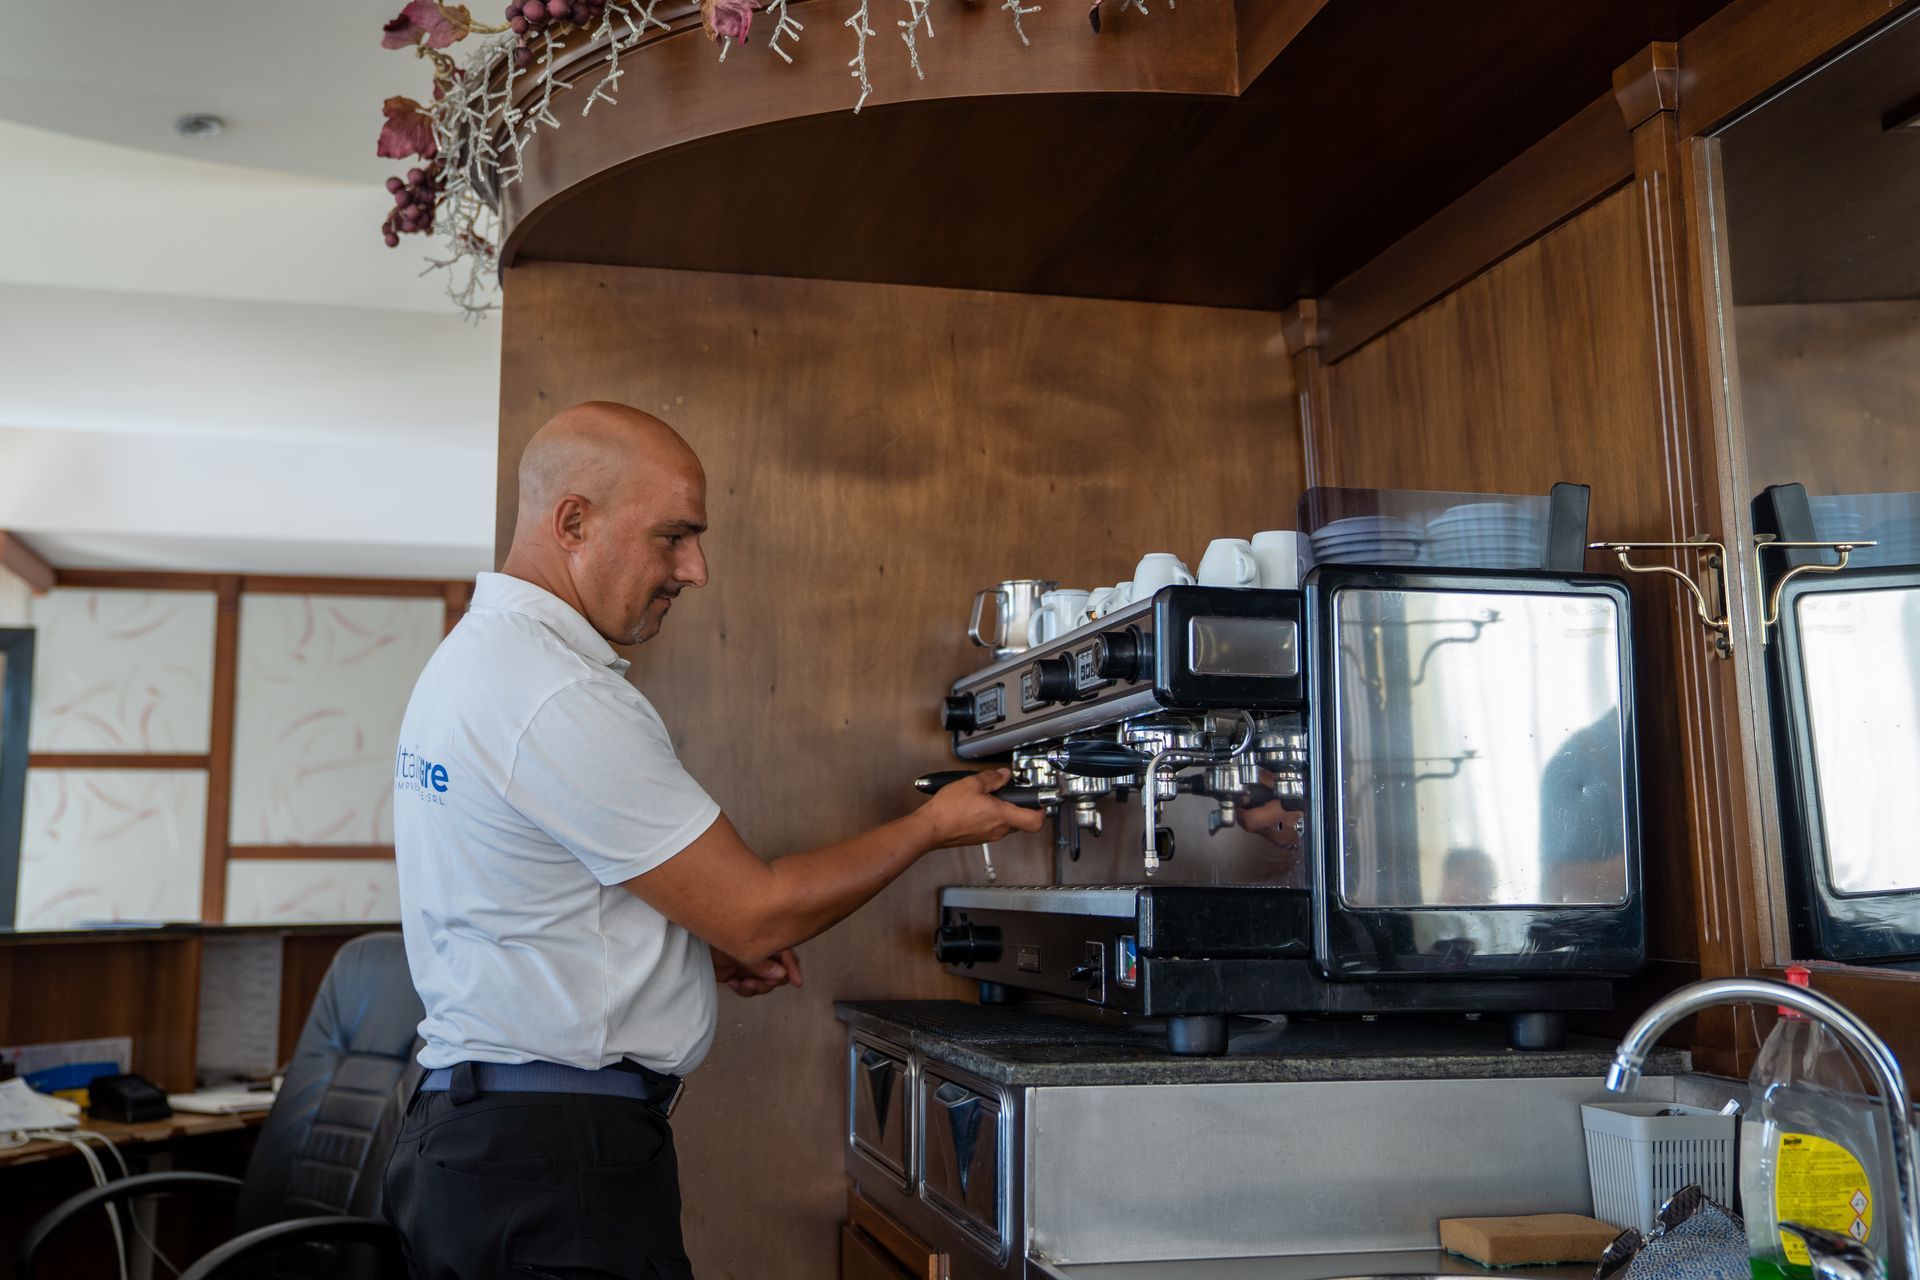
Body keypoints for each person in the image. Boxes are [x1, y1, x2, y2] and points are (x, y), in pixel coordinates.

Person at [382, 401, 1041, 1279]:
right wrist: (933, 825)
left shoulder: (478, 661)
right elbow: (758, 912)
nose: (695, 569)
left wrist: (678, 949)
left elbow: (534, 895)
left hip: (492, 1144)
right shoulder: (552, 692)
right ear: (573, 522)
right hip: (552, 1165)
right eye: (673, 537)